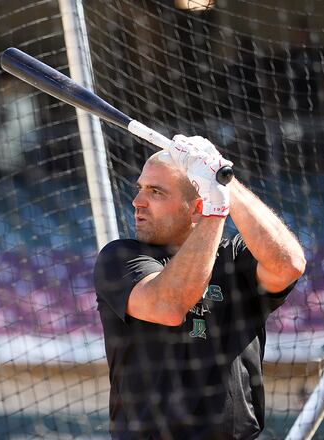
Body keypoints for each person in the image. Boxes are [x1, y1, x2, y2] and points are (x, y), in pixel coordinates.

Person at [94, 135, 306, 439]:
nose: (137, 201)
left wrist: (224, 178)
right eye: (140, 188)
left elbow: (290, 264)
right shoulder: (120, 257)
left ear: (196, 207)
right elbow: (168, 306)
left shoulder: (235, 258)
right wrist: (215, 213)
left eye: (155, 192)